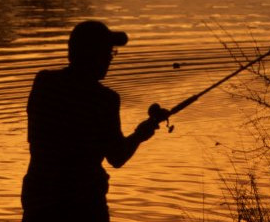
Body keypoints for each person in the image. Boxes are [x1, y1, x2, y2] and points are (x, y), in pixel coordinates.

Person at [21, 20, 163, 222]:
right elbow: (117, 157)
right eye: (107, 52)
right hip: (84, 204)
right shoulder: (104, 99)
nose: (110, 59)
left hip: (39, 199)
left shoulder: (44, 82)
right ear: (93, 55)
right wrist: (141, 134)